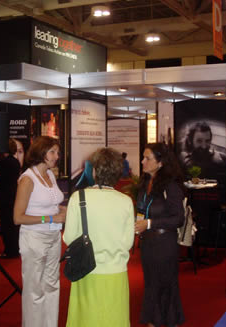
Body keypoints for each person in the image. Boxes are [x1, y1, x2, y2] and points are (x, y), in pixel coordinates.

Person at [63, 147, 135, 327]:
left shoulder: (78, 197)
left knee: (86, 320)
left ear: (94, 171)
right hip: (116, 272)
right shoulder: (125, 201)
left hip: (86, 271)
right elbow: (128, 243)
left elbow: (69, 237)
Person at [13, 136, 66, 327]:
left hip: (53, 237)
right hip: (34, 238)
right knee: (34, 290)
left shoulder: (50, 174)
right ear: (41, 153)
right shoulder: (27, 179)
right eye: (52, 152)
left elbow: (52, 203)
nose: (56, 156)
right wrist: (51, 218)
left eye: (57, 152)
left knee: (52, 286)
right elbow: (18, 217)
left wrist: (62, 210)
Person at [135, 142, 185, 327]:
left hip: (165, 245)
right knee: (151, 285)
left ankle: (168, 321)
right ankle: (153, 321)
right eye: (143, 157)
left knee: (164, 285)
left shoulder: (170, 186)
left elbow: (178, 218)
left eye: (147, 158)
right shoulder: (146, 183)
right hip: (148, 244)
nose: (142, 161)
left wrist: (149, 223)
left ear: (160, 163)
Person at [0, 139, 22, 258]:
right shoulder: (16, 162)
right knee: (14, 224)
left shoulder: (3, 163)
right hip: (14, 195)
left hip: (5, 197)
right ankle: (15, 248)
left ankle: (9, 250)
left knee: (6, 225)